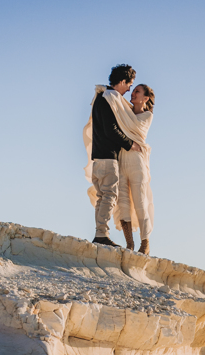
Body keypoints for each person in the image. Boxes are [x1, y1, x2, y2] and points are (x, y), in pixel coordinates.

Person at [83, 65, 143, 247]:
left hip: (98, 157)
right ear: (122, 81)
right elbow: (112, 130)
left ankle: (100, 233)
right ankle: (101, 234)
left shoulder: (101, 97)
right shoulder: (109, 99)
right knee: (110, 195)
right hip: (108, 157)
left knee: (103, 196)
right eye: (129, 85)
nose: (129, 90)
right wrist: (130, 143)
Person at [115, 84, 155, 253]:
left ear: (145, 98)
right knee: (122, 202)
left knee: (140, 202)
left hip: (137, 162)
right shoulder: (125, 110)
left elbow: (131, 129)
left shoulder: (147, 115)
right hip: (121, 160)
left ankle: (145, 244)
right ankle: (129, 243)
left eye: (137, 91)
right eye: (133, 90)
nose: (133, 93)